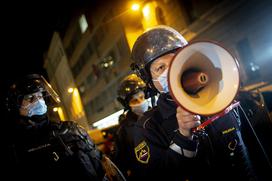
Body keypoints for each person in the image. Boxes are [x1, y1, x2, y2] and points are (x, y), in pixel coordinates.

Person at [128, 25, 257, 180]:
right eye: (160, 67)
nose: (172, 71)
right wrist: (183, 137)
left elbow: (255, 148)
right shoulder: (148, 127)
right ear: (149, 80)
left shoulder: (223, 100)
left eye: (177, 60)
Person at [4, 74, 121, 180]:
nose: (38, 101)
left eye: (40, 96)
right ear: (16, 106)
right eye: (30, 98)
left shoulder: (70, 130)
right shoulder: (16, 148)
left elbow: (103, 166)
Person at [113, 73, 150, 179]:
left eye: (142, 97)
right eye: (135, 100)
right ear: (127, 105)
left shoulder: (157, 114)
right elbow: (120, 164)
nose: (140, 102)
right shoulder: (122, 131)